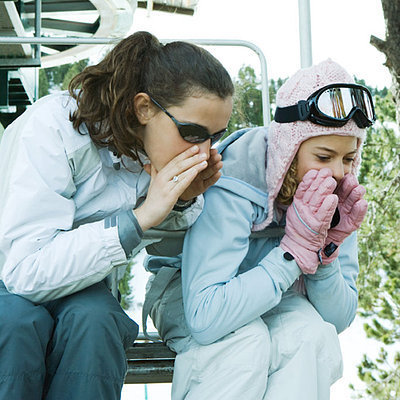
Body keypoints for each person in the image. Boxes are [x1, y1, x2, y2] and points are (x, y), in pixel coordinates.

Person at [0, 31, 234, 400]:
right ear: (144, 108)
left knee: (98, 324)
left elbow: (164, 246)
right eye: (192, 133)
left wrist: (181, 202)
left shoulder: (150, 149)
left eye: (216, 137)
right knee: (16, 326)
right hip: (8, 274)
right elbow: (24, 272)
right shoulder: (51, 128)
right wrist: (139, 219)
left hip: (78, 285)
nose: (203, 152)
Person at [144, 58, 375, 400]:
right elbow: (205, 318)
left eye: (348, 158)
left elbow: (337, 318)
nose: (338, 173)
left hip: (273, 297)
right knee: (244, 342)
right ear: (289, 152)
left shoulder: (336, 197)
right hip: (186, 294)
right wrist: (292, 253)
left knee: (310, 336)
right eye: (323, 157)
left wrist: (325, 253)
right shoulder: (235, 178)